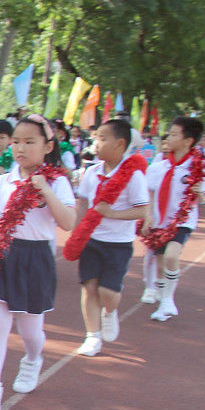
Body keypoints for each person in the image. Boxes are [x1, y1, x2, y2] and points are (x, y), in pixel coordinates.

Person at [0, 115, 76, 410]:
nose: (21, 147)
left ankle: (32, 360)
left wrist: (46, 191)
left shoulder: (58, 183)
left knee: (31, 331)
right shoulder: (1, 182)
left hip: (37, 258)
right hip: (2, 255)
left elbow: (68, 222)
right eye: (17, 141)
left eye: (30, 142)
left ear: (48, 146)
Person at [74, 119, 150, 357]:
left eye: (102, 138)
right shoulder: (91, 172)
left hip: (118, 244)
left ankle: (110, 312)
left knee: (108, 293)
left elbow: (142, 210)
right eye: (96, 137)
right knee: (89, 288)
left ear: (120, 144)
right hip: (92, 240)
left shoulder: (133, 176)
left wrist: (113, 214)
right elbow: (82, 203)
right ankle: (92, 336)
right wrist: (77, 232)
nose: (96, 143)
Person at [141, 116, 205, 321]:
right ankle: (163, 301)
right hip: (160, 222)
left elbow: (202, 198)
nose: (168, 137)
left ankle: (168, 300)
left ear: (188, 141)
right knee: (160, 264)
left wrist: (199, 193)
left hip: (182, 221)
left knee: (171, 256)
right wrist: (147, 217)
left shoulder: (195, 168)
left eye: (174, 134)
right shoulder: (158, 167)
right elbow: (149, 195)